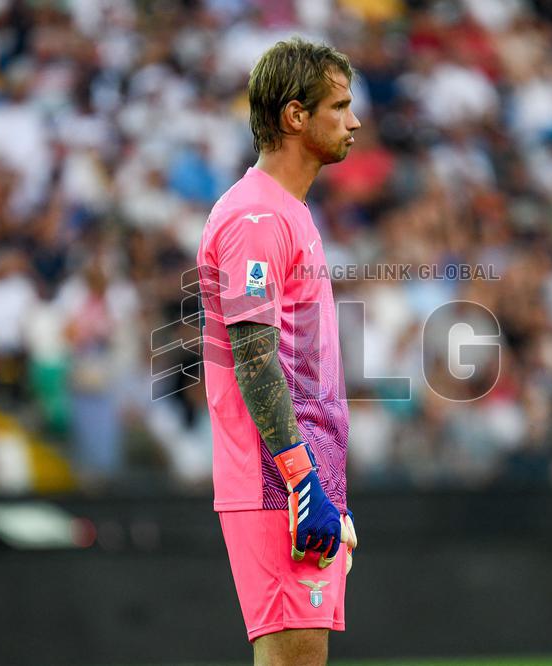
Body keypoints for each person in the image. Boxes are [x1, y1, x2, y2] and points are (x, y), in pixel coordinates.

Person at [196, 38, 360, 665]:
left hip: (299, 480)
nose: (354, 121)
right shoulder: (256, 220)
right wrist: (303, 482)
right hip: (280, 485)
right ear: (296, 116)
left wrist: (327, 481)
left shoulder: (284, 213)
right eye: (340, 106)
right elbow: (256, 356)